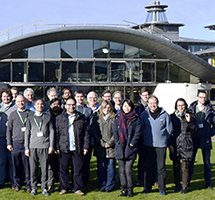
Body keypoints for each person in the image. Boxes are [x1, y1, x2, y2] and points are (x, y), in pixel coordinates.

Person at [55, 97, 90, 195]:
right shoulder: (59, 118)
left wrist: (86, 147)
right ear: (65, 106)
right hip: (64, 148)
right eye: (69, 105)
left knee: (78, 169)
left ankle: (77, 188)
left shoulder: (81, 117)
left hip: (77, 148)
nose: (71, 107)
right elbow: (56, 134)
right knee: (63, 169)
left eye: (73, 104)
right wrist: (57, 147)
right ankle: (64, 188)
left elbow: (86, 134)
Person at [140, 95, 173, 195]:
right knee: (148, 167)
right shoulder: (144, 115)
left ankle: (162, 188)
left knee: (161, 168)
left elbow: (169, 130)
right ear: (148, 104)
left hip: (161, 145)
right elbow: (141, 129)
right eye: (150, 103)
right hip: (148, 145)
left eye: (154, 103)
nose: (152, 105)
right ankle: (147, 187)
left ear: (157, 103)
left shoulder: (165, 115)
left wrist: (163, 138)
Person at [25, 98, 54, 196]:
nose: (39, 106)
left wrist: (51, 145)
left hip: (44, 146)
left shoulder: (47, 117)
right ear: (34, 105)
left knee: (44, 168)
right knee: (33, 168)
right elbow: (27, 133)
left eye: (41, 104)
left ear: (44, 105)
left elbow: (51, 132)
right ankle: (33, 188)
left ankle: (44, 187)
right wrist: (26, 147)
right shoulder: (30, 117)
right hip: (33, 146)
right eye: (37, 104)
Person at [169, 98, 198, 194]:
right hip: (176, 144)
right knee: (176, 166)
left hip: (187, 143)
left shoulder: (191, 116)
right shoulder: (172, 117)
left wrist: (189, 121)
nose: (181, 107)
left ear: (185, 105)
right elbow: (169, 132)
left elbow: (195, 129)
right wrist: (170, 145)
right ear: (176, 107)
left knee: (185, 166)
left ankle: (184, 186)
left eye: (182, 105)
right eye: (178, 105)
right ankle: (177, 186)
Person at [113, 99, 141, 197]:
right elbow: (115, 133)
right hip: (120, 147)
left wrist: (132, 143)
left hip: (130, 148)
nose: (126, 108)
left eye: (128, 106)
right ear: (122, 107)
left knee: (128, 171)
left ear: (132, 106)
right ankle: (123, 189)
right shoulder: (117, 118)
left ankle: (130, 189)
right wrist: (117, 143)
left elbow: (138, 133)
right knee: (121, 171)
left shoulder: (136, 118)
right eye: (125, 106)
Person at [188, 90, 215, 189]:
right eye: (201, 97)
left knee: (207, 162)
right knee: (190, 161)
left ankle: (208, 183)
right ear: (197, 97)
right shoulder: (191, 109)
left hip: (205, 139)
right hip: (194, 138)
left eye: (204, 97)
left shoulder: (210, 110)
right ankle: (188, 181)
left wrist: (210, 133)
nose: (203, 99)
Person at [6, 95, 32, 193]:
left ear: (25, 101)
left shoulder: (30, 113)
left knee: (28, 165)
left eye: (22, 101)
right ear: (15, 102)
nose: (21, 103)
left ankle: (28, 184)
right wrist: (9, 143)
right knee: (16, 165)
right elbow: (9, 130)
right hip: (16, 143)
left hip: (27, 144)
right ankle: (17, 184)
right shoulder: (12, 114)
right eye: (18, 101)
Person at [92, 100, 116, 192]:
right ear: (102, 108)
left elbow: (116, 133)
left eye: (108, 107)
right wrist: (102, 142)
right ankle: (102, 185)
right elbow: (94, 132)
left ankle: (109, 186)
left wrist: (110, 143)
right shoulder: (97, 118)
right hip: (100, 147)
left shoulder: (114, 118)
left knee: (110, 167)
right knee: (101, 167)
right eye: (105, 107)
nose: (107, 109)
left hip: (111, 147)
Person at [74, 89, 93, 188]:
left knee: (85, 163)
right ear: (75, 97)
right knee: (75, 163)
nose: (80, 98)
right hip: (74, 140)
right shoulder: (71, 108)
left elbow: (90, 126)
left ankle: (85, 182)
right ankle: (75, 182)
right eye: (78, 96)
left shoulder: (88, 110)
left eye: (81, 96)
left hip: (85, 140)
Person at [134, 87, 152, 187]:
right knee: (141, 160)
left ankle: (152, 178)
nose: (146, 97)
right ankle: (141, 179)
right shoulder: (137, 108)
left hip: (151, 137)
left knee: (152, 160)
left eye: (147, 95)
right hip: (141, 138)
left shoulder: (153, 106)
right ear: (141, 96)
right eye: (144, 95)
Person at [0, 88, 17, 189]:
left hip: (12, 138)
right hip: (1, 138)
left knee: (12, 162)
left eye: (8, 96)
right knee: (1, 161)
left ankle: (14, 182)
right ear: (1, 97)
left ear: (11, 97)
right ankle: (1, 181)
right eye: (4, 96)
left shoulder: (15, 108)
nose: (6, 98)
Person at [46, 98, 63, 193]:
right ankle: (50, 184)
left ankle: (62, 184)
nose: (55, 106)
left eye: (57, 104)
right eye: (53, 104)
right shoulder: (47, 115)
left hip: (62, 144)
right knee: (51, 166)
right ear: (50, 105)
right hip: (50, 144)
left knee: (62, 166)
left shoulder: (63, 115)